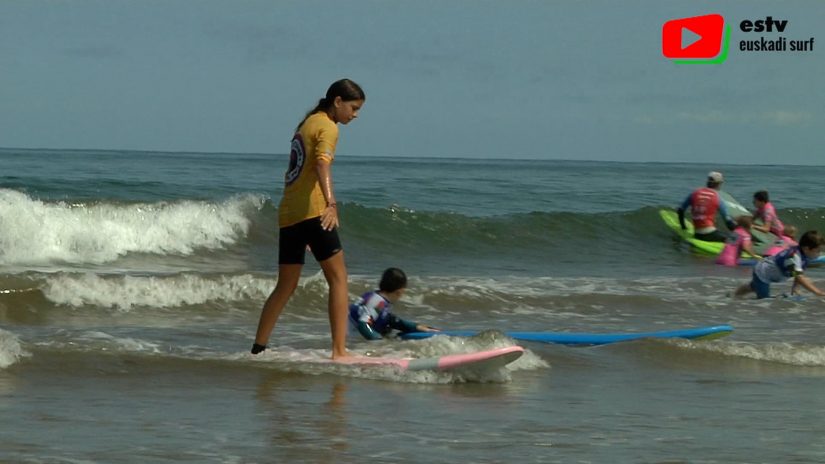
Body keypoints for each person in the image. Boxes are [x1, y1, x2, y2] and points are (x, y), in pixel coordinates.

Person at [251, 79, 365, 359]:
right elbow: (322, 164)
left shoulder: (307, 124)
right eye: (353, 108)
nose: (355, 115)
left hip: (290, 214)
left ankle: (258, 348)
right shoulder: (328, 126)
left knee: (285, 285)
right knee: (339, 278)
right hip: (313, 211)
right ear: (337, 102)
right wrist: (331, 203)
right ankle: (339, 352)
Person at [348, 268, 439, 340]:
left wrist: (417, 327)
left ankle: (421, 328)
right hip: (349, 337)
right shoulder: (379, 303)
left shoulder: (376, 296)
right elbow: (363, 324)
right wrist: (380, 343)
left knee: (388, 323)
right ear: (399, 291)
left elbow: (390, 320)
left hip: (347, 332)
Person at [734, 230, 825, 299]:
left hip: (767, 270)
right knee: (764, 300)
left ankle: (734, 296)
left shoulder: (805, 256)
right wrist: (818, 292)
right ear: (806, 248)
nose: (819, 253)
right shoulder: (794, 257)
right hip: (763, 273)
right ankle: (736, 299)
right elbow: (799, 277)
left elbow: (800, 273)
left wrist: (795, 289)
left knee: (753, 287)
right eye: (818, 251)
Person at [677, 171, 736, 242]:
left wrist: (683, 227)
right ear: (719, 184)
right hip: (710, 234)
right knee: (735, 239)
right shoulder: (718, 198)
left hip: (697, 234)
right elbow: (728, 223)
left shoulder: (695, 193)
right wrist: (740, 232)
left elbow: (680, 210)